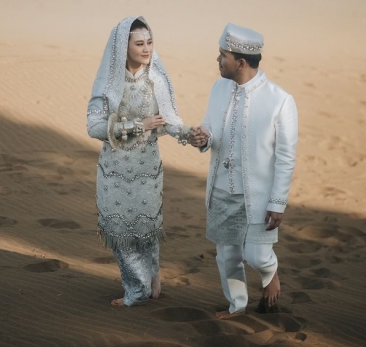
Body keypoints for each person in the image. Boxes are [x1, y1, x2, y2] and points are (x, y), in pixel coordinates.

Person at [189, 23, 298, 319]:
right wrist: (204, 137)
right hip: (222, 188)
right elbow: (210, 126)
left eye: (222, 55)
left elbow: (286, 158)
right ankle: (237, 307)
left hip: (259, 197)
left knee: (256, 255)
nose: (217, 60)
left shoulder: (280, 101)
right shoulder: (219, 87)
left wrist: (278, 203)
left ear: (240, 62)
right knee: (227, 255)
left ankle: (270, 273)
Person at [87, 16, 192, 307]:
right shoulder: (109, 84)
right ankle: (136, 287)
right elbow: (94, 128)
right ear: (124, 47)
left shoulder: (156, 79)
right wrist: (137, 125)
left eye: (149, 42)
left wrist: (190, 133)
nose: (147, 49)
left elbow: (168, 121)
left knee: (146, 228)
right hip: (115, 171)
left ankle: (148, 280)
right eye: (139, 43)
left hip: (147, 169)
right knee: (121, 232)